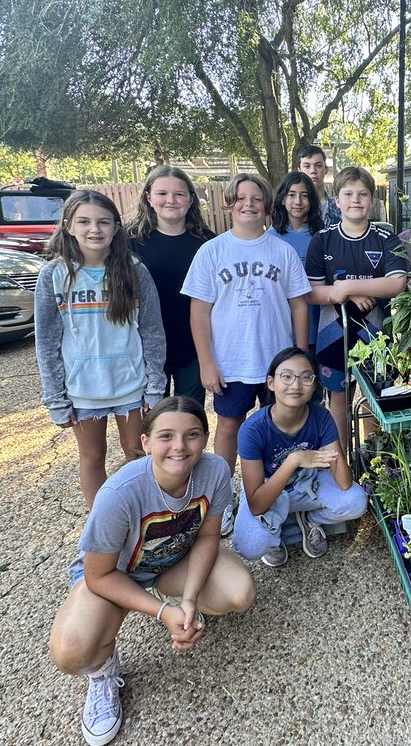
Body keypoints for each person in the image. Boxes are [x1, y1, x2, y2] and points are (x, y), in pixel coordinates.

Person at [48, 396, 256, 746]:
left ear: (205, 438)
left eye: (192, 434)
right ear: (145, 443)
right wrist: (162, 613)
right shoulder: (119, 493)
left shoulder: (216, 471)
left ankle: (170, 594)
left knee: (239, 592)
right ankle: (102, 672)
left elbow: (208, 536)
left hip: (171, 562)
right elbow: (98, 575)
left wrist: (188, 600)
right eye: (166, 436)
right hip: (116, 575)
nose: (179, 446)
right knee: (70, 651)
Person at [182, 173, 311, 536]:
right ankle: (222, 500)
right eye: (240, 198)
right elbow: (199, 312)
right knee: (228, 428)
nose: (249, 204)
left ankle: (280, 494)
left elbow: (299, 306)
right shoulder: (212, 251)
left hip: (278, 362)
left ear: (268, 206)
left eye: (256, 198)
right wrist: (207, 362)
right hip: (231, 362)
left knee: (281, 428)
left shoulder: (282, 251)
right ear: (229, 204)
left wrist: (301, 357)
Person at [35, 189, 166, 509]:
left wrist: (155, 386)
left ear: (116, 227)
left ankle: (145, 515)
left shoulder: (135, 270)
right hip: (82, 388)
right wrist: (55, 398)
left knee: (138, 453)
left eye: (103, 222)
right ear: (68, 226)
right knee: (92, 457)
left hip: (130, 384)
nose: (94, 229)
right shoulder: (53, 275)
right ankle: (102, 521)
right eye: (84, 222)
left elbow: (152, 332)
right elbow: (47, 342)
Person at [232, 347, 367, 566]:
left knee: (356, 501)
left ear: (314, 385)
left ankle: (309, 519)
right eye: (286, 376)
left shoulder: (321, 417)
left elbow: (344, 483)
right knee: (250, 545)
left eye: (305, 377)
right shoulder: (252, 429)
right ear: (271, 383)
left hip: (307, 484)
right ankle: (275, 535)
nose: (296, 385)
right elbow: (257, 505)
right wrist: (294, 459)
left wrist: (334, 454)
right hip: (268, 489)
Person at [305, 166, 407, 446]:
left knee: (372, 398)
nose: (355, 200)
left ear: (372, 200)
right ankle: (342, 461)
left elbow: (397, 283)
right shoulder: (322, 240)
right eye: (348, 194)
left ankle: (372, 459)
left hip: (376, 334)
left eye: (362, 194)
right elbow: (312, 293)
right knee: (339, 400)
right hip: (332, 334)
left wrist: (347, 287)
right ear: (337, 200)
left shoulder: (387, 238)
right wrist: (348, 296)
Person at [127, 166, 216, 406]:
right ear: (148, 198)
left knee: (190, 413)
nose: (171, 200)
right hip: (146, 346)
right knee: (154, 416)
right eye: (162, 193)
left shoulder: (208, 242)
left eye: (179, 194)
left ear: (191, 199)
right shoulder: (129, 242)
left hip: (193, 345)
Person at [269, 170, 324, 351]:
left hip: (318, 323)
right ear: (282, 199)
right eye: (291, 195)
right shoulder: (270, 238)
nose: (298, 201)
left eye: (304, 196)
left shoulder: (322, 236)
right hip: (283, 329)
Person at [297, 143, 341, 228]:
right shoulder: (293, 207)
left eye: (318, 165)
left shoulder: (339, 207)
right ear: (299, 171)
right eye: (307, 166)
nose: (313, 171)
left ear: (326, 169)